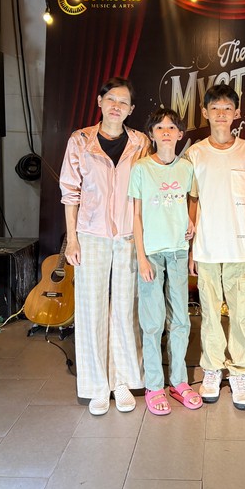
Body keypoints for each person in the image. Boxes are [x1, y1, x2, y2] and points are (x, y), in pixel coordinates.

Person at [60, 76, 149, 416]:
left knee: (126, 309)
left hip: (128, 237)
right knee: (91, 309)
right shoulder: (80, 140)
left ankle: (122, 381)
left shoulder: (140, 143)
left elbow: (146, 191)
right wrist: (72, 239)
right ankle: (97, 385)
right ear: (99, 101)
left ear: (131, 109)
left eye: (123, 102)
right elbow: (70, 193)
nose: (116, 106)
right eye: (111, 99)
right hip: (91, 235)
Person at [186, 84, 245, 410]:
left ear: (237, 113)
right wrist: (191, 247)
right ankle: (212, 369)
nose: (221, 114)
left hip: (240, 246)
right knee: (210, 313)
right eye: (215, 108)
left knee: (242, 313)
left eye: (228, 108)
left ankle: (241, 372)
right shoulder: (196, 153)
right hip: (206, 247)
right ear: (205, 112)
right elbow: (193, 200)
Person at [129, 107, 202, 416]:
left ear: (180, 134)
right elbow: (136, 215)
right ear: (152, 134)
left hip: (178, 252)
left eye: (172, 127)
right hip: (152, 254)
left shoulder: (187, 168)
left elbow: (192, 200)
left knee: (181, 319)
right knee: (153, 321)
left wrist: (191, 221)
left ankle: (179, 382)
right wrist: (141, 257)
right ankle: (154, 385)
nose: (166, 132)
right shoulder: (141, 169)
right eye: (160, 127)